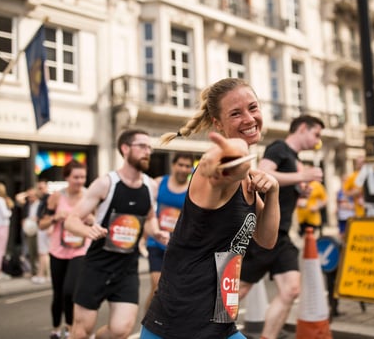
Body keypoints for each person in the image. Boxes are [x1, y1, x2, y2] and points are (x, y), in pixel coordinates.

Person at [141, 77, 280, 338]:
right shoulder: (222, 172)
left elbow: (267, 239)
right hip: (180, 325)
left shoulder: (249, 178)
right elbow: (232, 156)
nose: (249, 118)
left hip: (218, 321)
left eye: (253, 107)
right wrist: (224, 158)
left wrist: (273, 192)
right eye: (235, 113)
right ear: (218, 124)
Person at [65, 129, 169, 339]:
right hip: (97, 265)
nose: (147, 151)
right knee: (81, 331)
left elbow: (148, 218)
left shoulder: (151, 186)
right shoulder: (106, 183)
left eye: (149, 147)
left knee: (121, 330)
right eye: (142, 146)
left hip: (127, 268)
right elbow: (71, 220)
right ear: (125, 148)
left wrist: (156, 232)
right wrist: (88, 230)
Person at [239, 114, 324, 339]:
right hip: (262, 233)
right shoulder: (279, 148)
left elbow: (284, 183)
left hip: (282, 235)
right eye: (316, 134)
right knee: (238, 290)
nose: (317, 140)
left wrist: (300, 188)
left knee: (291, 289)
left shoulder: (295, 158)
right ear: (303, 128)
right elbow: (262, 175)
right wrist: (301, 176)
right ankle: (194, 328)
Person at [38, 160, 91, 339]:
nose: (79, 181)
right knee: (58, 293)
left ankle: (69, 329)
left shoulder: (89, 196)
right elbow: (41, 225)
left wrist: (91, 220)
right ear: (67, 177)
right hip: (58, 251)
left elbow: (97, 222)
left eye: (82, 177)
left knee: (70, 291)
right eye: (76, 177)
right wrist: (55, 218)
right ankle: (55, 328)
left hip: (80, 251)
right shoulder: (56, 197)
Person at [144, 152, 194, 311]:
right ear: (173, 165)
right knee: (157, 286)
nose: (183, 169)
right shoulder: (159, 183)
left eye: (187, 166)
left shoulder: (193, 189)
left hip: (179, 247)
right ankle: (147, 324)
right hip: (156, 243)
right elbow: (147, 212)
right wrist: (147, 235)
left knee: (175, 292)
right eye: (180, 165)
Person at [15, 187, 41, 277]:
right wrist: (27, 193)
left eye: (33, 196)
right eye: (29, 197)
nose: (31, 198)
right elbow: (18, 197)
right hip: (28, 229)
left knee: (39, 252)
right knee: (30, 251)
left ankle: (40, 271)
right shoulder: (27, 204)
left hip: (38, 230)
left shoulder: (40, 204)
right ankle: (33, 271)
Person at [34, 179, 51, 284]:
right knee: (42, 253)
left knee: (44, 253)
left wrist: (50, 227)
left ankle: (44, 275)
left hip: (45, 228)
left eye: (42, 187)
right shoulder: (41, 199)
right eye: (39, 188)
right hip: (41, 227)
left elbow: (51, 214)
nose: (40, 190)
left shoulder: (48, 198)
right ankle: (43, 274)